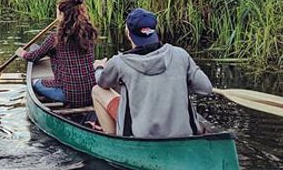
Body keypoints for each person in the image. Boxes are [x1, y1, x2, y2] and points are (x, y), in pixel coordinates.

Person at [91, 8, 213, 137]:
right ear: (154, 31)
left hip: (140, 136)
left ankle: (113, 141)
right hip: (183, 134)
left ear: (128, 33)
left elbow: (102, 83)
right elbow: (206, 89)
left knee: (97, 91)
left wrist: (99, 68)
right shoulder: (180, 55)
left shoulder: (119, 63)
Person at [15, 0, 98, 107]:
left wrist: (22, 53)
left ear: (62, 15)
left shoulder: (55, 38)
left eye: (58, 13)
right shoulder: (88, 33)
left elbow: (33, 57)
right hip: (91, 93)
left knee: (35, 83)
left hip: (69, 96)